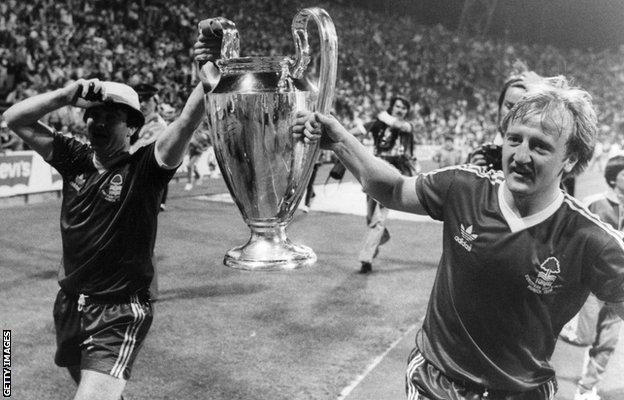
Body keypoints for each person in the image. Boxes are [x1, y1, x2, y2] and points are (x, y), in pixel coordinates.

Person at [293, 77, 624, 400]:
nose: (520, 156)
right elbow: (394, 188)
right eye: (514, 139)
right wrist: (339, 140)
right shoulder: (464, 188)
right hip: (436, 383)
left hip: (523, 392)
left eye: (539, 146)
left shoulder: (590, 239)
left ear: (571, 159)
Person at [1, 28, 218, 400]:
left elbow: (185, 122)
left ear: (132, 126)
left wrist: (208, 76)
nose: (98, 123)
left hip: (119, 311)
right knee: (83, 377)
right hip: (70, 301)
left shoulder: (145, 168)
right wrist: (65, 95)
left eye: (111, 117)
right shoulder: (75, 158)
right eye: (93, 115)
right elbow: (14, 119)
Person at [558, 155, 624, 400]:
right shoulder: (595, 204)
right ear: (613, 177)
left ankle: (586, 389)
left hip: (621, 287)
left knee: (609, 340)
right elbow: (574, 236)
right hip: (593, 285)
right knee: (582, 335)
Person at [357, 96, 415, 274]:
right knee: (370, 216)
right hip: (373, 171)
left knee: (378, 218)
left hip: (391, 173)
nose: (400, 110)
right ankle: (381, 237)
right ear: (392, 106)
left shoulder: (407, 127)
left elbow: (401, 126)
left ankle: (366, 259)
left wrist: (383, 116)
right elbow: (361, 129)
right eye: (397, 106)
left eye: (403, 108)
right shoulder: (379, 123)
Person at [130, 83, 169, 211]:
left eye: (147, 100)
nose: (142, 104)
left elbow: (134, 150)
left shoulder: (157, 125)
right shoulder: (137, 121)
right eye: (140, 100)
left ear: (155, 102)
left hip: (145, 178)